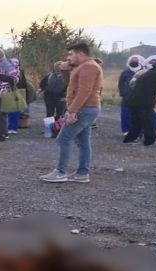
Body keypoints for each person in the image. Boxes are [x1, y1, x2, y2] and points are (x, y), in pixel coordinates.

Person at [40, 43, 103, 183]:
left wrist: (73, 111)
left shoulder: (89, 67)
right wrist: (65, 70)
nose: (68, 58)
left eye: (71, 54)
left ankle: (61, 172)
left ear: (80, 54)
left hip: (84, 109)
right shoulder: (83, 67)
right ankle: (82, 173)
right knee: (83, 142)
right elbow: (72, 85)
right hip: (86, 108)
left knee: (63, 138)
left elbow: (84, 91)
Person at [123, 61, 156, 146]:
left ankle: (130, 138)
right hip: (144, 101)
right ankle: (149, 140)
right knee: (147, 121)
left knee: (136, 121)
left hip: (133, 100)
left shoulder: (149, 73)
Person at [118, 55, 145, 135]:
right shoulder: (125, 72)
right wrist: (124, 94)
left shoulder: (143, 71)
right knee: (125, 114)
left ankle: (140, 132)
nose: (133, 61)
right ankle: (126, 131)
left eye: (135, 60)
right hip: (127, 98)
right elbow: (121, 84)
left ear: (139, 61)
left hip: (140, 98)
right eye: (132, 60)